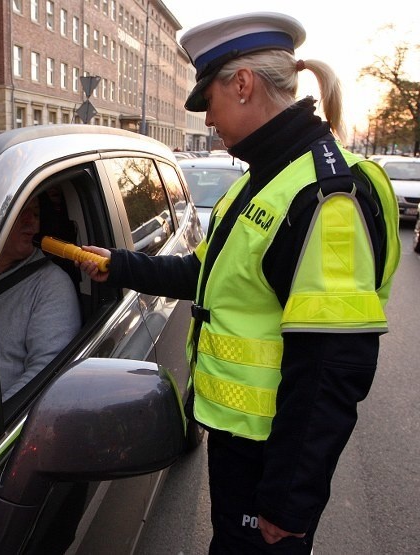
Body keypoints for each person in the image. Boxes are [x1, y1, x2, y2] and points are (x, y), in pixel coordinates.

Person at [77, 12, 400, 554]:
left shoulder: (323, 196)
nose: (208, 122)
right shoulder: (265, 177)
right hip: (239, 439)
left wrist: (288, 499)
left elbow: (330, 364)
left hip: (268, 454)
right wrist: (120, 264)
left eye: (210, 103)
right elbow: (207, 277)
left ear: (243, 84)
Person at [0, 193, 81, 399]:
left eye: (36, 213)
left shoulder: (50, 284)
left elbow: (46, 375)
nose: (30, 221)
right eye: (20, 210)